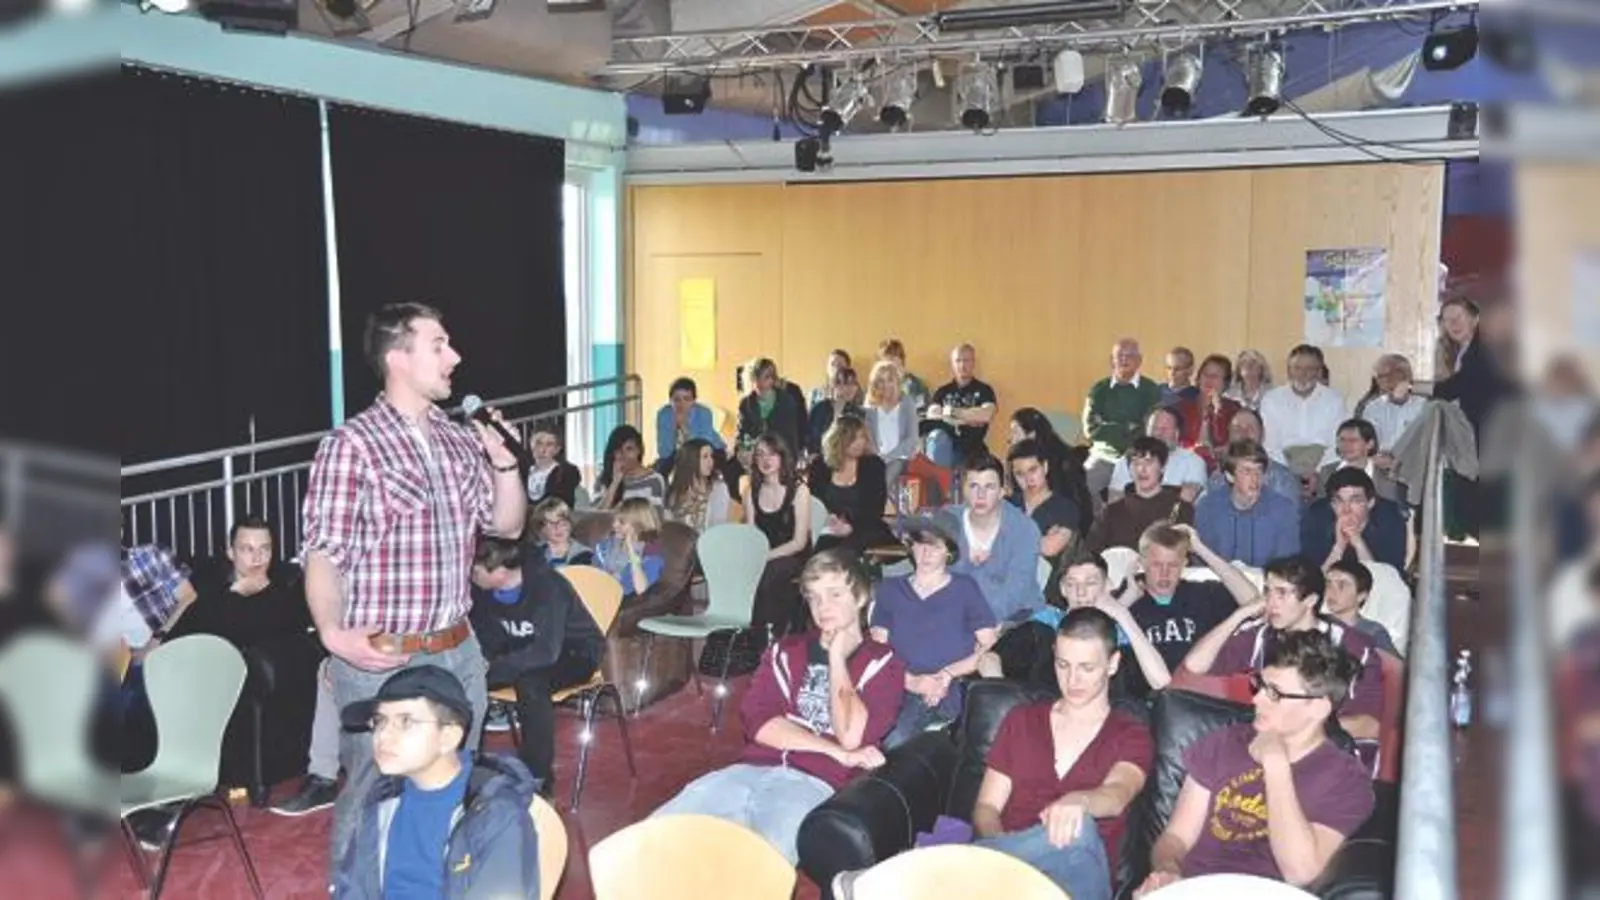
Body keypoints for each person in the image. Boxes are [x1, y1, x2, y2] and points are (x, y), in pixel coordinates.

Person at [302, 302, 525, 860]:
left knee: (454, 798)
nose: (456, 357)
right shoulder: (350, 445)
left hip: (457, 652)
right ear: (397, 358)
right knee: (372, 802)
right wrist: (332, 634)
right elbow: (323, 554)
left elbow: (508, 524)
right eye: (439, 345)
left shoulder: (459, 439)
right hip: (382, 662)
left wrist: (504, 463)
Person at [652, 550, 906, 864]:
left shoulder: (883, 663)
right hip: (747, 771)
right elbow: (759, 723)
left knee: (760, 869)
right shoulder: (786, 651)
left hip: (810, 785)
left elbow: (852, 736)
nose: (822, 607)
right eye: (814, 597)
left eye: (834, 594)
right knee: (650, 840)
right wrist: (837, 753)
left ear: (861, 597)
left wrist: (837, 660)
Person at [1133, 631, 1374, 894]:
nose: (1256, 698)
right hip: (1196, 889)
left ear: (1318, 708)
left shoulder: (1346, 779)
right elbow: (1175, 837)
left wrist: (1276, 768)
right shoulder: (1225, 743)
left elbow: (1300, 871)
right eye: (1260, 685)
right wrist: (1168, 870)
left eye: (1274, 693)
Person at [969, 608, 1154, 900]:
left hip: (1076, 881)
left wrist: (1079, 801)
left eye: (1087, 668)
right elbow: (986, 808)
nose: (1072, 680)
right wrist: (1004, 853)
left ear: (1113, 664)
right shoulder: (1022, 720)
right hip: (1010, 876)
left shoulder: (1130, 733)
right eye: (1063, 665)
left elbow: (1117, 793)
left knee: (1079, 832)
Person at [331, 665, 540, 899]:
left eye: (406, 722)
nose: (383, 736)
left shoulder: (496, 815)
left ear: (449, 737)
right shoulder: (382, 798)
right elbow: (351, 887)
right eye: (380, 721)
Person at [1181, 557, 1384, 772]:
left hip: (1336, 757)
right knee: (1183, 717)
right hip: (1271, 748)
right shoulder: (1262, 636)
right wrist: (1240, 614)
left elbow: (1369, 726)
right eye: (1267, 591)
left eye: (1282, 593)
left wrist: (1289, 727)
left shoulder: (1352, 645)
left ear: (1310, 600)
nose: (1271, 602)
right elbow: (1195, 665)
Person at [468, 536, 605, 788]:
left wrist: (494, 671)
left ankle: (538, 779)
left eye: (474, 570)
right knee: (465, 674)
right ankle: (464, 766)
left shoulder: (548, 587)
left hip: (574, 652)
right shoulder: (481, 592)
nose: (470, 575)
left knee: (531, 684)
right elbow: (484, 637)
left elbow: (545, 653)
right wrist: (479, 664)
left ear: (498, 571)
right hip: (519, 652)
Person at [870, 527, 997, 748]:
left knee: (896, 741)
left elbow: (989, 645)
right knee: (874, 735)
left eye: (935, 546)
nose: (926, 553)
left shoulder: (964, 588)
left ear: (948, 552)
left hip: (947, 687)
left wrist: (947, 674)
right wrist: (911, 681)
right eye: (920, 544)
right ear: (911, 548)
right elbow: (876, 648)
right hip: (896, 682)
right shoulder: (890, 589)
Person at [940, 454, 1044, 625]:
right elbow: (934, 579)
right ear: (963, 489)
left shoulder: (1025, 530)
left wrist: (978, 624)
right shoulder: (946, 523)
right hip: (954, 617)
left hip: (1016, 618)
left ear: (1002, 492)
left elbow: (1014, 594)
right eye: (973, 486)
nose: (980, 495)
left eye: (989, 487)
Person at [1193, 439, 1302, 568]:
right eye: (1247, 471)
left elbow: (1287, 565)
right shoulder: (1207, 507)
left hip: (1266, 584)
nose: (1255, 478)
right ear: (1230, 476)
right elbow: (1203, 561)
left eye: (1259, 470)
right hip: (1218, 582)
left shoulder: (1284, 510)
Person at [1083, 339, 1163, 499]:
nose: (1124, 360)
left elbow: (1149, 428)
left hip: (1138, 456)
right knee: (1083, 489)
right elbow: (1090, 430)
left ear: (1139, 361)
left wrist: (1110, 427)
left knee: (1137, 500)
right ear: (1111, 360)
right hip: (1103, 456)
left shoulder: (1151, 389)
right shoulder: (1099, 389)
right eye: (1119, 355)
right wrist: (1127, 428)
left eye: (1130, 355)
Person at [809, 414, 894, 555]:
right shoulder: (820, 466)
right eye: (853, 438)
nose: (860, 442)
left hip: (866, 527)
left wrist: (850, 526)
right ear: (838, 440)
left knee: (845, 549)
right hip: (829, 527)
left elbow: (875, 509)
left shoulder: (873, 465)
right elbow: (815, 503)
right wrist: (829, 520)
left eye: (862, 437)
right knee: (817, 547)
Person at [1301, 468, 1408, 572]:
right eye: (1339, 501)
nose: (1346, 510)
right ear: (1331, 504)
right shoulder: (1316, 518)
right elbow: (1314, 582)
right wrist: (1339, 547)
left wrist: (1358, 542)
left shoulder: (1389, 519)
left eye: (1355, 501)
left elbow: (1385, 582)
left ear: (1370, 503)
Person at [923, 343, 999, 470]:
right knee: (936, 438)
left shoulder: (984, 390)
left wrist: (949, 413)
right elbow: (932, 414)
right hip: (946, 447)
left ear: (973, 362)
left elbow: (986, 415)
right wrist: (969, 418)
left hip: (973, 450)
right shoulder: (942, 391)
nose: (962, 365)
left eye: (966, 360)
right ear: (952, 364)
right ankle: (938, 487)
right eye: (958, 361)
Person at [1321, 560, 1399, 658]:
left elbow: (1395, 669)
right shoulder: (1317, 623)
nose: (1331, 591)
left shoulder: (1373, 632)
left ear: (1361, 596)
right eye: (1328, 584)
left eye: (1342, 585)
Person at [593, 498, 666, 598]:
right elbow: (592, 576)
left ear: (640, 525)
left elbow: (641, 589)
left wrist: (631, 552)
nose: (614, 525)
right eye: (615, 520)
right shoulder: (604, 547)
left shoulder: (651, 555)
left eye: (621, 522)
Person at [653, 376, 726, 471]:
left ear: (694, 401)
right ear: (670, 401)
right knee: (661, 467)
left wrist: (684, 426)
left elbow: (703, 447)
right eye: (677, 400)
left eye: (687, 399)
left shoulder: (704, 413)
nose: (681, 404)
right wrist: (674, 429)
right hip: (679, 454)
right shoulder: (664, 415)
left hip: (710, 450)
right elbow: (664, 452)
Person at [665, 438, 733, 532]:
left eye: (711, 456)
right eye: (705, 457)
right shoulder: (675, 494)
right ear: (691, 460)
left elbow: (719, 527)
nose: (711, 461)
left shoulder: (718, 489)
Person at [595, 425, 667, 509]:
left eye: (629, 449)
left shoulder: (654, 480)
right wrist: (615, 482)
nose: (624, 455)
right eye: (619, 450)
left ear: (639, 450)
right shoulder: (606, 479)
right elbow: (599, 516)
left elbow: (652, 518)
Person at [524, 423, 582, 508]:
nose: (542, 450)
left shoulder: (565, 473)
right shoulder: (522, 472)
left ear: (557, 449)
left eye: (549, 444)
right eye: (538, 443)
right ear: (531, 444)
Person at [529, 497, 594, 568]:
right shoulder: (534, 553)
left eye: (562, 522)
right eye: (551, 524)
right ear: (541, 529)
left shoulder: (585, 556)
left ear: (570, 524)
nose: (558, 528)